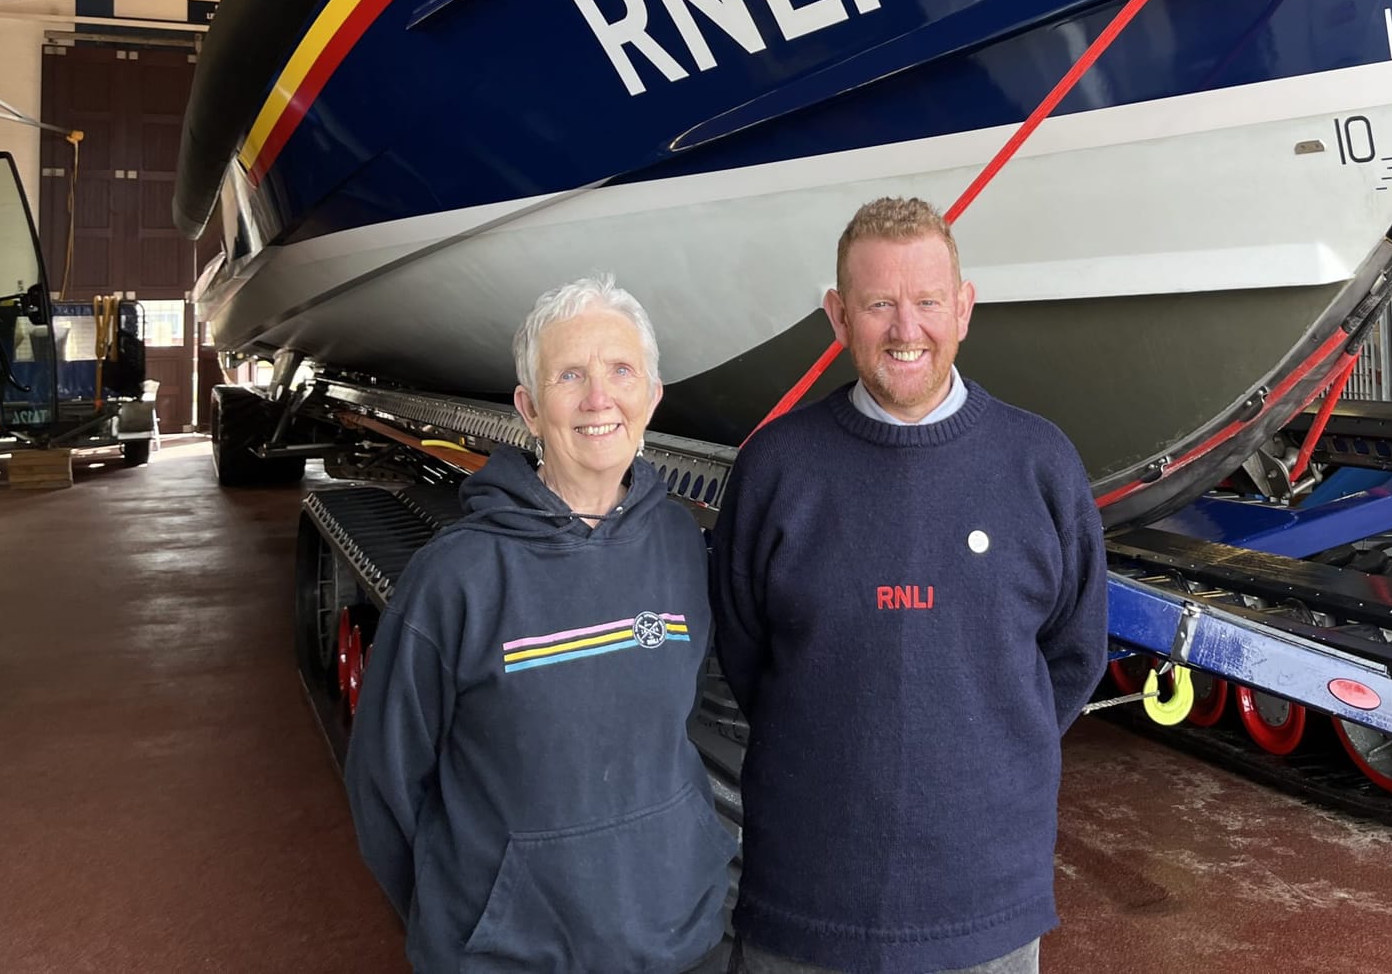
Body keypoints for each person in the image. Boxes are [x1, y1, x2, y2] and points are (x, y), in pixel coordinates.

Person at [711, 197, 1108, 974]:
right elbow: (743, 652)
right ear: (838, 316)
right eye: (878, 305)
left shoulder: (1041, 464)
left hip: (986, 907)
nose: (906, 329)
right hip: (806, 901)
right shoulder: (776, 468)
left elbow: (1075, 653)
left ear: (964, 308)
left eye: (927, 301)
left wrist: (982, 754)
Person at [346, 275, 735, 973]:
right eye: (569, 375)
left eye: (621, 371)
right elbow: (386, 782)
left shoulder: (681, 545)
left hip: (678, 944)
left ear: (652, 396)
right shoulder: (457, 577)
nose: (598, 398)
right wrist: (469, 926)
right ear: (528, 408)